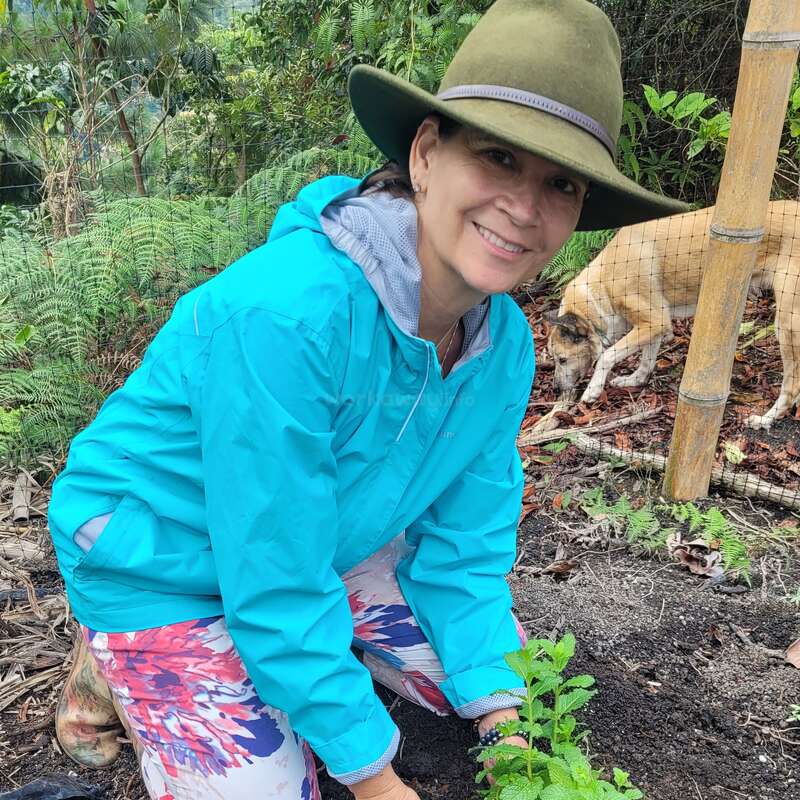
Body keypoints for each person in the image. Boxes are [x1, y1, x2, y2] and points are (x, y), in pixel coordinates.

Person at [47, 1, 685, 798]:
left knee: (477, 677)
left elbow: (466, 541)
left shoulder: (504, 347)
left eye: (560, 183)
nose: (525, 208)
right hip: (163, 551)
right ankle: (119, 660)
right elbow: (274, 573)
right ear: (426, 153)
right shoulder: (287, 317)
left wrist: (506, 728)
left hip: (316, 539)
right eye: (497, 158)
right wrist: (378, 780)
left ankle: (271, 659)